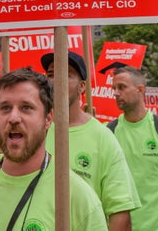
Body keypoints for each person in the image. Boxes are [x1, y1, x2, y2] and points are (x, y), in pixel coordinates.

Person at [0, 68, 107, 231]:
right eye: (5, 108)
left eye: (26, 107)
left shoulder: (76, 196)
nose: (13, 118)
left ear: (48, 118)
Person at [42, 51, 140, 230]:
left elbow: (120, 212)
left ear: (82, 86)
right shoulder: (34, 131)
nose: (55, 81)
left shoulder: (103, 138)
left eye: (66, 74)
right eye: (50, 75)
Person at [110, 65, 158, 231]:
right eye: (114, 88)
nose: (116, 93)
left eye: (122, 87)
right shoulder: (108, 132)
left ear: (140, 90)